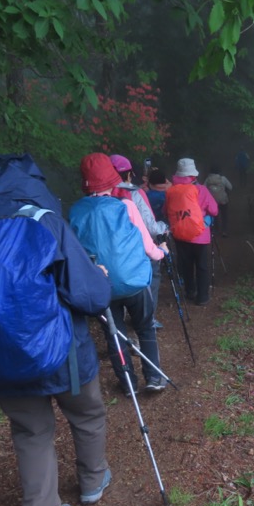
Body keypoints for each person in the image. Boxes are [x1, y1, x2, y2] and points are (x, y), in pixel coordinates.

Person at [0, 157, 113, 506]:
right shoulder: (45, 221)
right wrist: (98, 278)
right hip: (60, 352)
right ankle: (92, 480)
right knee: (86, 413)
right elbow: (90, 296)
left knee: (30, 430)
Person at [71, 153, 169, 394]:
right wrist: (162, 252)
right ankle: (154, 378)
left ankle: (128, 384)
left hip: (102, 285)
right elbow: (149, 248)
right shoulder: (126, 206)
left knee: (115, 334)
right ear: (112, 180)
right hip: (134, 281)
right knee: (145, 327)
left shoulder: (75, 213)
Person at [110, 154, 168, 330]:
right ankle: (146, 322)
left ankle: (122, 335)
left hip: (113, 253)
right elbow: (151, 227)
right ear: (129, 174)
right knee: (152, 278)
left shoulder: (101, 194)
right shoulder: (135, 194)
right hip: (140, 250)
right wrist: (165, 226)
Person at [166, 157, 218, 306]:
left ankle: (190, 291)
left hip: (180, 234)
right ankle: (202, 297)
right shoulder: (201, 190)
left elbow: (166, 210)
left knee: (186, 264)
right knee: (201, 265)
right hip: (200, 234)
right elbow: (214, 210)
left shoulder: (171, 191)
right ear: (193, 175)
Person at [204, 165, 233, 237]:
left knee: (214, 215)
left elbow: (203, 189)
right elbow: (230, 187)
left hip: (212, 201)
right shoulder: (223, 179)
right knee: (224, 215)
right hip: (223, 200)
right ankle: (224, 231)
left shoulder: (208, 179)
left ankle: (215, 230)